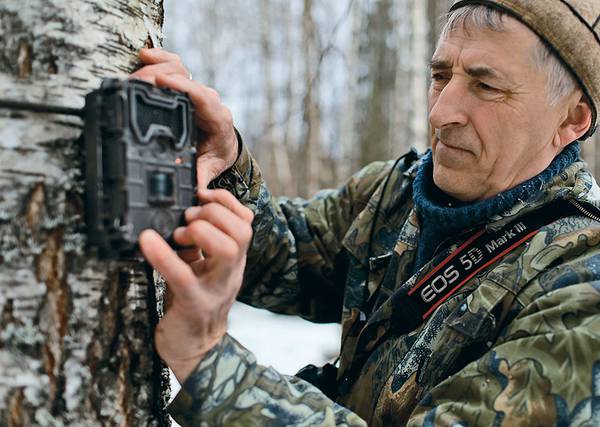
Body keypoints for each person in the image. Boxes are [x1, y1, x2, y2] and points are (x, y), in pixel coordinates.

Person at [132, 0, 600, 425]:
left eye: (486, 85)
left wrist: (211, 366)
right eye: (440, 76)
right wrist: (220, 160)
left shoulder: (581, 286)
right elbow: (288, 258)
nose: (442, 113)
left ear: (571, 119)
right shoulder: (396, 192)